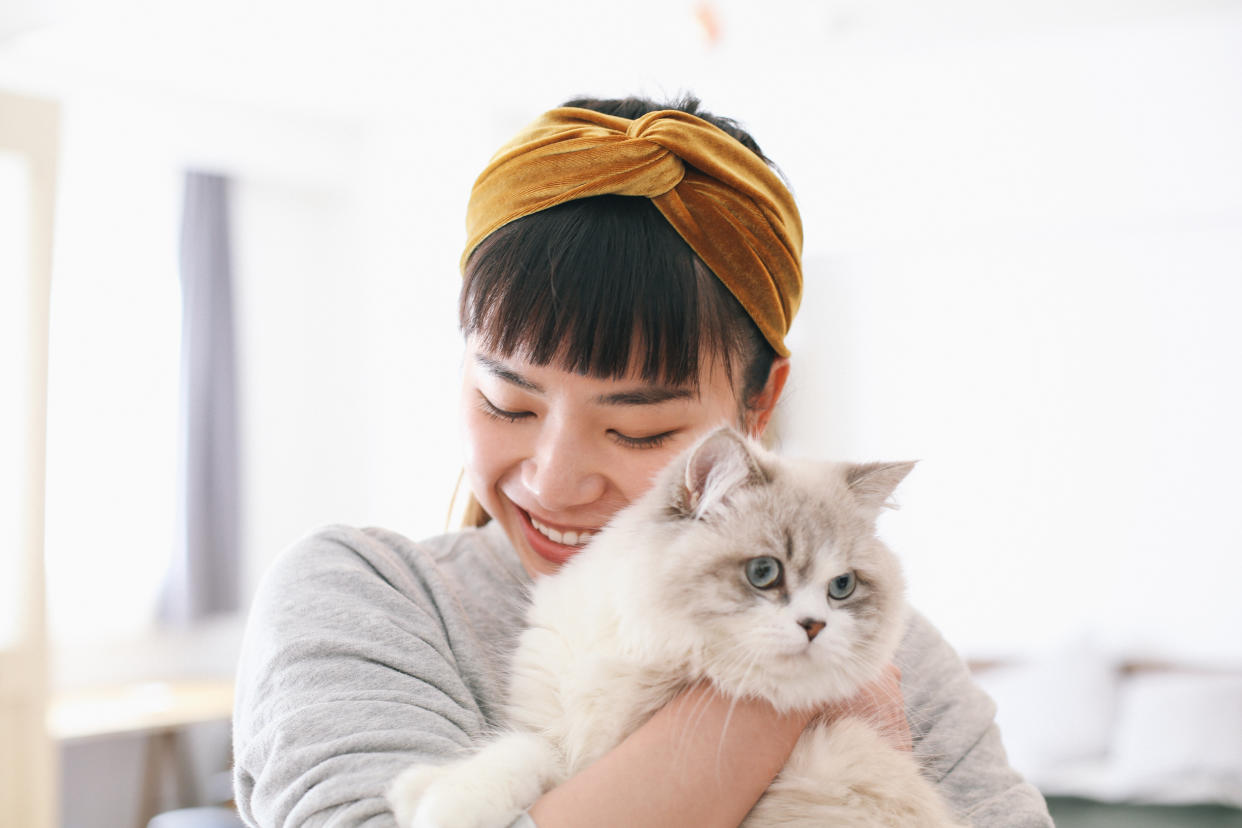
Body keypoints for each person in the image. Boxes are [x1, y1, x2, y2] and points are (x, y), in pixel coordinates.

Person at [232, 95, 1053, 827]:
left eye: (641, 431)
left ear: (759, 410)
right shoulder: (364, 594)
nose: (554, 479)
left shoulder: (886, 638)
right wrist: (789, 701)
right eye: (507, 404)